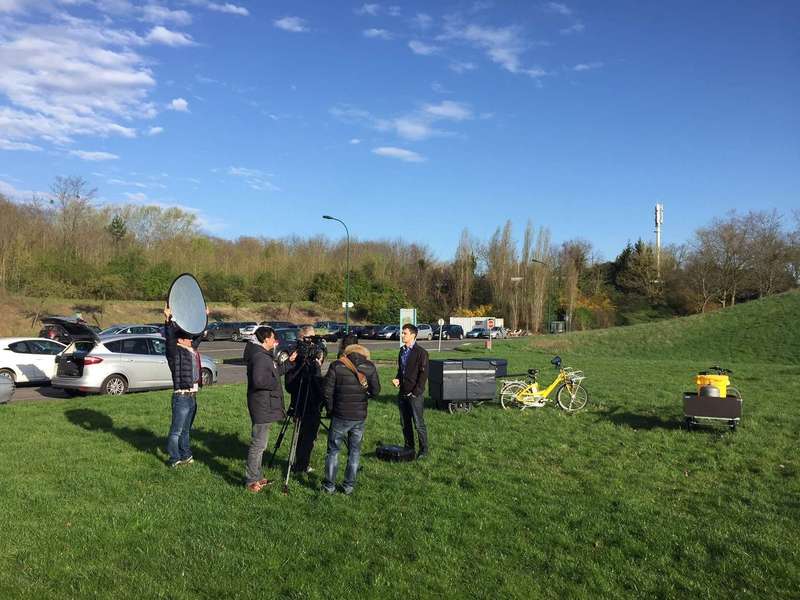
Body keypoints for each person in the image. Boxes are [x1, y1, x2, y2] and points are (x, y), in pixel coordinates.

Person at [321, 343, 380, 494]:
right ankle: (349, 486)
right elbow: (376, 391)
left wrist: (330, 409)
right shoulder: (370, 367)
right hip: (359, 416)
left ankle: (329, 486)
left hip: (340, 414)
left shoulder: (337, 365)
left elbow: (327, 391)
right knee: (354, 451)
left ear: (347, 353)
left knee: (333, 451)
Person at [244, 326, 296, 493]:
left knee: (261, 444)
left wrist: (289, 363)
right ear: (266, 339)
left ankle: (258, 476)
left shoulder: (265, 356)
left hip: (264, 404)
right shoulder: (260, 357)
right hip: (261, 405)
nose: (276, 341)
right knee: (258, 445)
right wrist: (275, 384)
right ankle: (251, 480)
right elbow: (259, 382)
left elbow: (275, 372)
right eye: (274, 338)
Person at [163, 306, 205, 468]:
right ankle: (174, 458)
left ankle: (186, 455)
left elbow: (198, 338)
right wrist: (168, 321)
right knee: (176, 431)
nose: (191, 340)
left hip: (192, 397)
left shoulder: (191, 350)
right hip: (181, 397)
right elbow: (170, 338)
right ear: (180, 340)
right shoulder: (175, 353)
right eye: (187, 338)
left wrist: (204, 318)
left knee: (186, 430)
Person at [284, 325, 324, 474]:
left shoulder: (313, 357)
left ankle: (301, 462)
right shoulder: (295, 359)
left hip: (309, 402)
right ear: (305, 339)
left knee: (307, 435)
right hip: (303, 402)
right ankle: (300, 465)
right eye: (311, 338)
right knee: (305, 436)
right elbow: (290, 385)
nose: (313, 342)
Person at [392, 323, 429, 459]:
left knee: (418, 424)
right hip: (402, 393)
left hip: (415, 395)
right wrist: (398, 379)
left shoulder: (421, 353)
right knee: (405, 423)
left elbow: (423, 376)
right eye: (402, 332)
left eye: (405, 333)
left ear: (413, 335)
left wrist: (415, 393)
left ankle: (424, 450)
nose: (402, 335)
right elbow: (401, 370)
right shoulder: (402, 350)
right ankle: (409, 448)